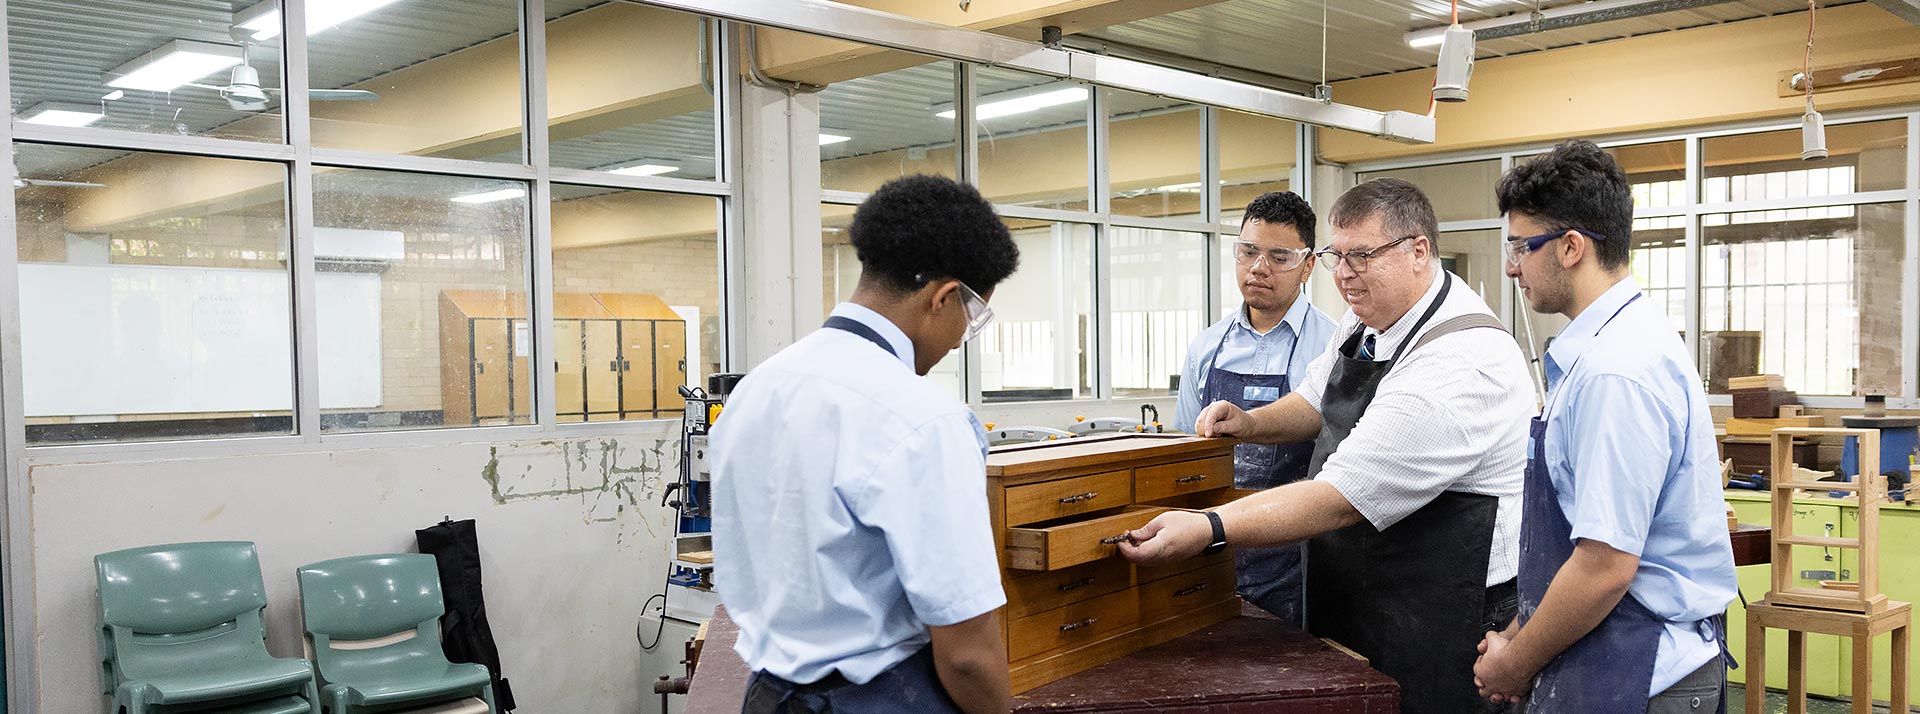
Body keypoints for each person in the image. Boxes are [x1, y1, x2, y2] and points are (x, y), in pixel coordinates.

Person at [1120, 178, 1533, 714]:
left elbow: (1339, 494)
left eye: (1361, 257)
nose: (1343, 276)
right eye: (1338, 256)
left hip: (1447, 610)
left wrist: (1208, 526)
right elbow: (1317, 399)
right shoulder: (1370, 316)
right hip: (1369, 586)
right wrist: (1249, 423)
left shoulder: (1460, 365)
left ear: (1419, 252)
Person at [709, 175, 1020, 714]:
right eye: (970, 318)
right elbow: (967, 653)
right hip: (881, 699)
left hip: (767, 695)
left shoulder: (756, 388)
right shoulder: (925, 419)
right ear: (944, 297)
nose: (958, 341)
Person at [1473, 140, 1737, 712]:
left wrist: (1515, 664)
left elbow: (1604, 566)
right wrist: (1521, 632)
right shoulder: (1603, 351)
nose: (1514, 264)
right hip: (1607, 654)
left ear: (1571, 247)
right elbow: (1579, 537)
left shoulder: (1614, 371)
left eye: (1523, 245)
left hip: (1641, 670)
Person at [1173, 191, 1337, 624]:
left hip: (1302, 560)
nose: (1259, 268)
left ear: (1307, 265)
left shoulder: (1334, 347)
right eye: (1248, 251)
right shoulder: (1206, 347)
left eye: (1278, 256)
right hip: (1211, 551)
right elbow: (1181, 453)